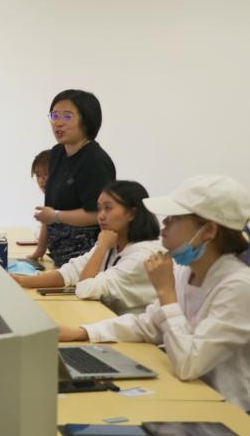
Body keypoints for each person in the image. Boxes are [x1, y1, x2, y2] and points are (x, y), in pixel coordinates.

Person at [59, 175, 250, 411]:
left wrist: (166, 293)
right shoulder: (187, 271)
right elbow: (147, 325)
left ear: (208, 230)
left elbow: (189, 363)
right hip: (188, 394)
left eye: (175, 218)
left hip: (226, 411)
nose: (165, 224)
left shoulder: (238, 286)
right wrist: (82, 332)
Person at [14, 180, 162, 314]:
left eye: (108, 208)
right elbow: (72, 271)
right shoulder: (113, 242)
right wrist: (22, 281)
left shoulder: (142, 256)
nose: (101, 216)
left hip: (137, 333)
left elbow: (86, 289)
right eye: (99, 209)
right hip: (112, 321)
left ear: (131, 214)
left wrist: (102, 247)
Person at [28, 89, 116, 266]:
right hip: (59, 255)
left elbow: (98, 214)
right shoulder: (57, 153)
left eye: (67, 116)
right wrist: (39, 251)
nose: (58, 122)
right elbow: (48, 211)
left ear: (86, 121)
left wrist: (57, 216)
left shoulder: (95, 160)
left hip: (87, 257)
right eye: (54, 116)